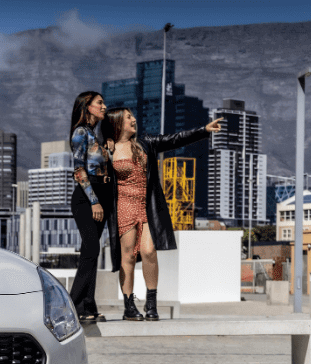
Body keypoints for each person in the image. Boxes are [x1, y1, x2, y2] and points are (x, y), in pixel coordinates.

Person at [101, 108, 224, 320]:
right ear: (117, 123)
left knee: (149, 251)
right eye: (128, 117)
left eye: (133, 116)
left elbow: (174, 139)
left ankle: (151, 303)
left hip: (146, 205)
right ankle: (129, 306)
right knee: (128, 257)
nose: (134, 119)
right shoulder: (107, 149)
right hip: (123, 206)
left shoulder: (145, 142)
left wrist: (203, 130)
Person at [66, 91, 112, 323]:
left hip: (102, 195)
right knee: (91, 251)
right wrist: (94, 201)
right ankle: (71, 306)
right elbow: (79, 170)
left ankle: (88, 307)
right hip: (87, 197)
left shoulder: (97, 135)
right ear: (87, 107)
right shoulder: (80, 132)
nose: (104, 106)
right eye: (100, 103)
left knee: (92, 253)